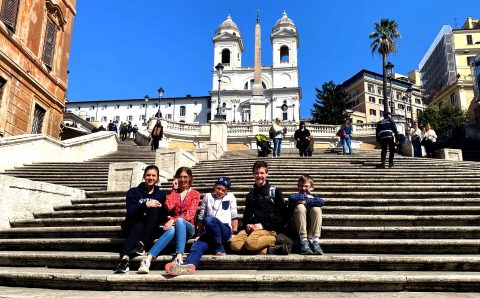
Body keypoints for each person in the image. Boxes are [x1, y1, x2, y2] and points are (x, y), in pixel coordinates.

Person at [165, 176, 238, 276]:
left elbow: (234, 217)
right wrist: (199, 234)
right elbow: (201, 217)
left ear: (226, 191)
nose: (220, 191)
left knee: (209, 219)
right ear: (214, 186)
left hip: (224, 229)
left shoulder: (231, 197)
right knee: (197, 245)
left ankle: (219, 247)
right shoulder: (208, 197)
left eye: (223, 190)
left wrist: (234, 232)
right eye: (218, 188)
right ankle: (187, 266)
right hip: (209, 231)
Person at [137, 167, 200, 274]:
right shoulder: (174, 192)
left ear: (190, 179)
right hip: (175, 228)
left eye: (185, 177)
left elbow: (190, 214)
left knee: (180, 221)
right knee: (171, 230)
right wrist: (174, 191)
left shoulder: (195, 194)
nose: (183, 180)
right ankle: (148, 260)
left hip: (189, 227)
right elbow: (169, 206)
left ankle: (179, 257)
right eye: (180, 177)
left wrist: (173, 220)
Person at [114, 165, 167, 273]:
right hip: (132, 224)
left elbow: (161, 216)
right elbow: (131, 211)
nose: (150, 178)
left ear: (157, 178)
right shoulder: (133, 192)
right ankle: (126, 258)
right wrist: (145, 205)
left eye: (153, 175)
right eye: (148, 175)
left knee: (154, 209)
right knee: (138, 224)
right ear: (144, 176)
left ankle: (135, 250)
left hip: (150, 229)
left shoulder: (160, 194)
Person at [231, 161, 292, 255]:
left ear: (267, 174)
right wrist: (248, 225)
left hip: (269, 229)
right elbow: (246, 215)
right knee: (234, 244)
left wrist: (262, 225)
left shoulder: (275, 192)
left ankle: (278, 239)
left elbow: (281, 216)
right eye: (256, 173)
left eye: (262, 173)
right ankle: (272, 250)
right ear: (253, 174)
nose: (259, 176)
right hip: (252, 229)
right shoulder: (250, 195)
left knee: (250, 243)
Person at [288, 175, 325, 255]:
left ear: (312, 188)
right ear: (297, 187)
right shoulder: (294, 196)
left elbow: (321, 202)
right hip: (296, 228)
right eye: (301, 186)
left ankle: (315, 241)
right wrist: (308, 198)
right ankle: (304, 242)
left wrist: (306, 201)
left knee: (317, 209)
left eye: (306, 186)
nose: (303, 188)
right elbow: (292, 198)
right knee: (300, 207)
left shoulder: (315, 197)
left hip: (310, 229)